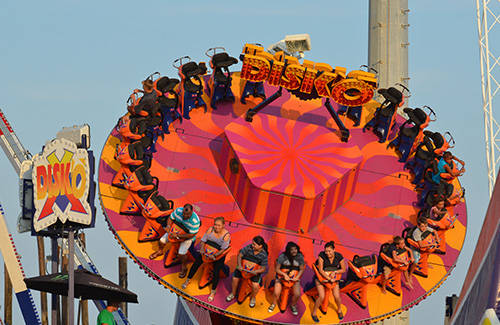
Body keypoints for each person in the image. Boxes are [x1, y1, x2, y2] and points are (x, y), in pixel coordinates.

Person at [182, 217, 231, 301]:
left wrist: (215, 256)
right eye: (215, 225)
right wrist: (201, 249)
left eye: (219, 225)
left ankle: (213, 291)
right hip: (207, 250)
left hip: (218, 254)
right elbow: (203, 241)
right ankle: (188, 279)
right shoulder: (210, 230)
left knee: (216, 271)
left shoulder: (226, 235)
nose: (216, 227)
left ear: (223, 225)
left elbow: (223, 249)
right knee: (197, 263)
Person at [149, 203, 200, 278]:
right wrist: (168, 226)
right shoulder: (178, 210)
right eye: (184, 214)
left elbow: (191, 235)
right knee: (161, 240)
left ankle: (184, 267)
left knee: (181, 253)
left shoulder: (195, 221)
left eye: (188, 215)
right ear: (182, 210)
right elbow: (170, 218)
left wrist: (178, 236)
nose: (185, 216)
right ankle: (160, 251)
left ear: (192, 212)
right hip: (175, 231)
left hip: (186, 237)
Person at [225, 236, 268, 308]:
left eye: (254, 244)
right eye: (252, 243)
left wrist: (256, 271)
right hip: (243, 267)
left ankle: (253, 298)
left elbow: (263, 268)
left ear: (260, 246)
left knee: (255, 285)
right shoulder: (248, 248)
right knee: (235, 278)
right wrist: (239, 265)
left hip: (254, 271)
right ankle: (233, 293)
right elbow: (240, 256)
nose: (252, 245)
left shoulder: (264, 255)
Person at [311, 241, 346, 323]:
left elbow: (343, 269)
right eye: (326, 251)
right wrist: (329, 278)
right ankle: (314, 312)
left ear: (334, 250)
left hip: (333, 278)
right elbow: (321, 270)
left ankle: (339, 310)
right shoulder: (321, 255)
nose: (327, 253)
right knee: (321, 296)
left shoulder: (339, 256)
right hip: (322, 278)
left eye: (329, 251)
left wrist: (335, 272)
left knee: (337, 296)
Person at [268, 242, 305, 316]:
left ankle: (293, 305)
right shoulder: (282, 256)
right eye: (292, 250)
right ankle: (274, 304)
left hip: (294, 277)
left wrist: (297, 278)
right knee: (276, 292)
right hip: (282, 275)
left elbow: (301, 269)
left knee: (297, 294)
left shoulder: (300, 256)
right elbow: (277, 269)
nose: (294, 251)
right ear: (288, 251)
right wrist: (284, 275)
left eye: (295, 249)